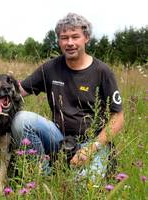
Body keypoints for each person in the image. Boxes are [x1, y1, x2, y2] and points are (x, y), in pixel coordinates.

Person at [11, 13, 124, 180]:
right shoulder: (50, 68)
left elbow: (118, 117)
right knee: (21, 119)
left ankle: (88, 170)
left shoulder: (102, 71)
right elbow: (18, 91)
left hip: (92, 141)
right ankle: (43, 177)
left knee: (84, 187)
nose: (70, 43)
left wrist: (92, 147)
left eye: (75, 37)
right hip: (57, 137)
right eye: (64, 38)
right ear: (58, 41)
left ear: (86, 38)